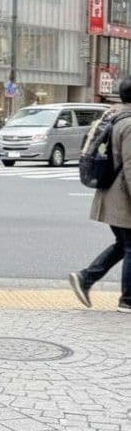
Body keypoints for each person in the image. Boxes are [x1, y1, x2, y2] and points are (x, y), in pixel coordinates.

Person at [69, 80, 131, 313]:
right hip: (123, 198)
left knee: (124, 244)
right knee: (129, 246)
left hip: (111, 193)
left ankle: (85, 278)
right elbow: (130, 166)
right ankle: (127, 300)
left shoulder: (116, 117)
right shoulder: (129, 124)